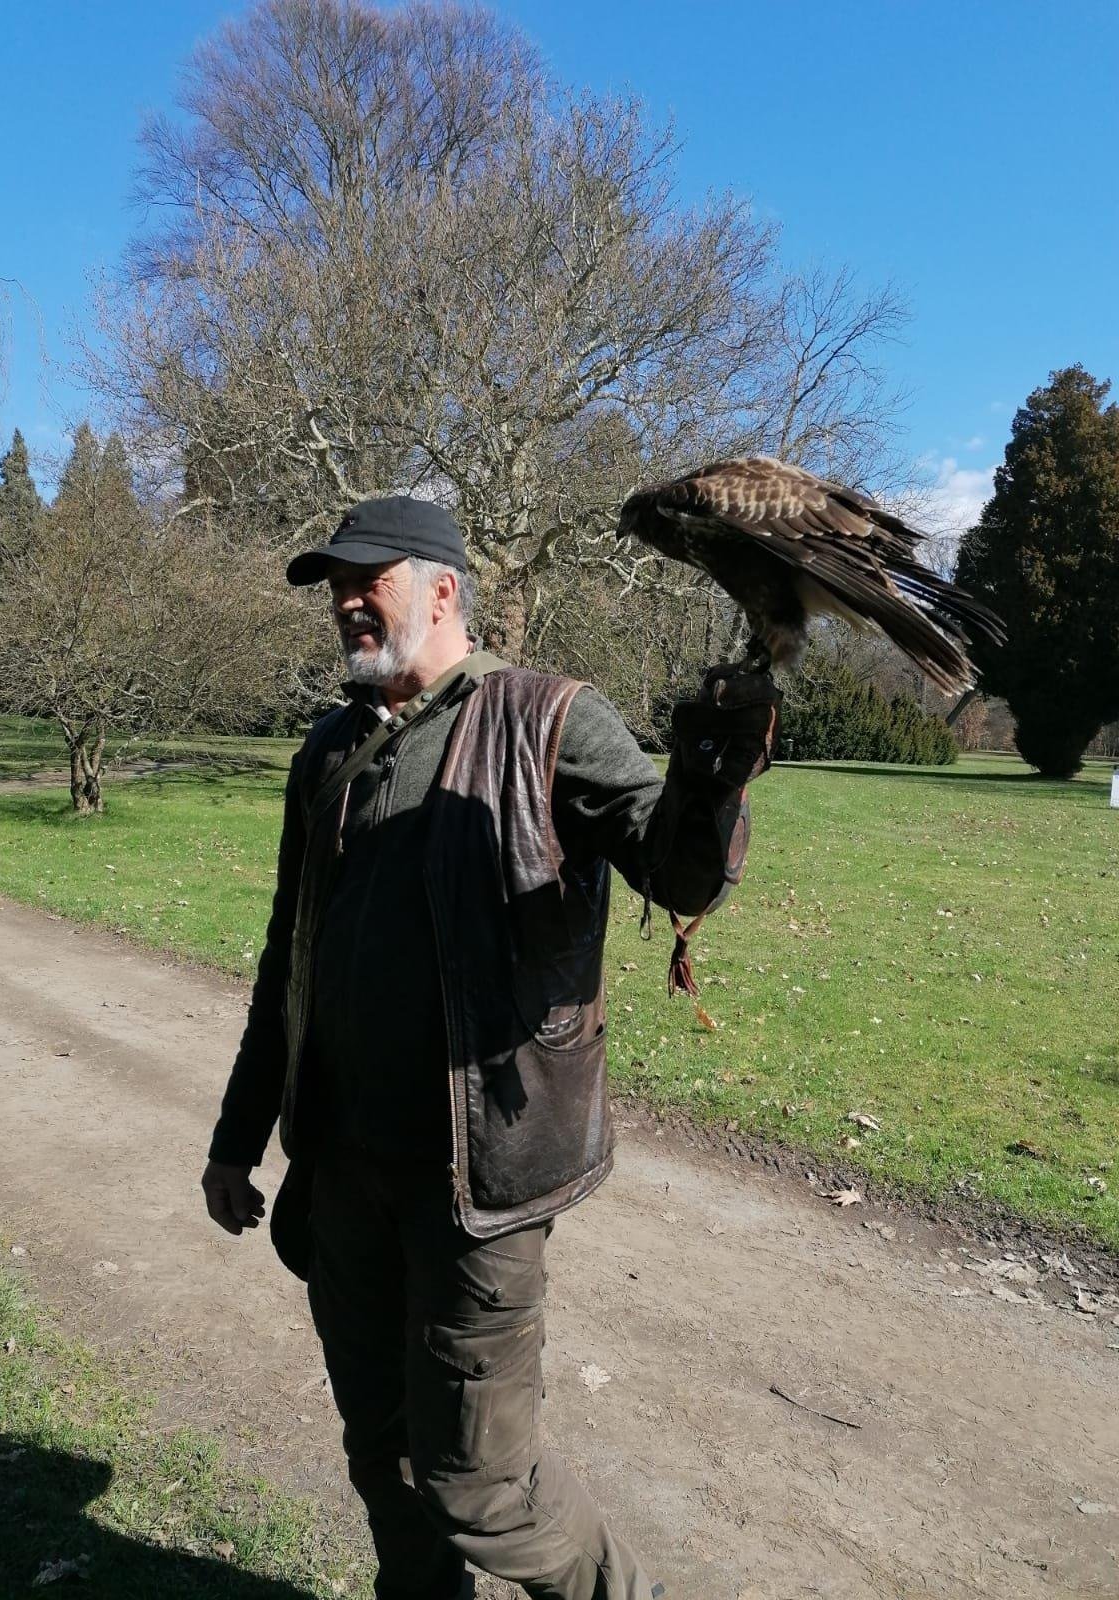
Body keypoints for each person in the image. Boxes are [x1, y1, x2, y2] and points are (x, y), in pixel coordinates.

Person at [201, 496, 778, 1600]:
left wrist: (714, 772)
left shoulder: (547, 719)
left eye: (367, 579)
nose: (346, 602)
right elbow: (291, 955)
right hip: (343, 1178)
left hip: (477, 1186)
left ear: (442, 589)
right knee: (385, 1453)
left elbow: (680, 873)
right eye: (336, 585)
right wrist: (239, 1137)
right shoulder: (330, 750)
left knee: (481, 1485)